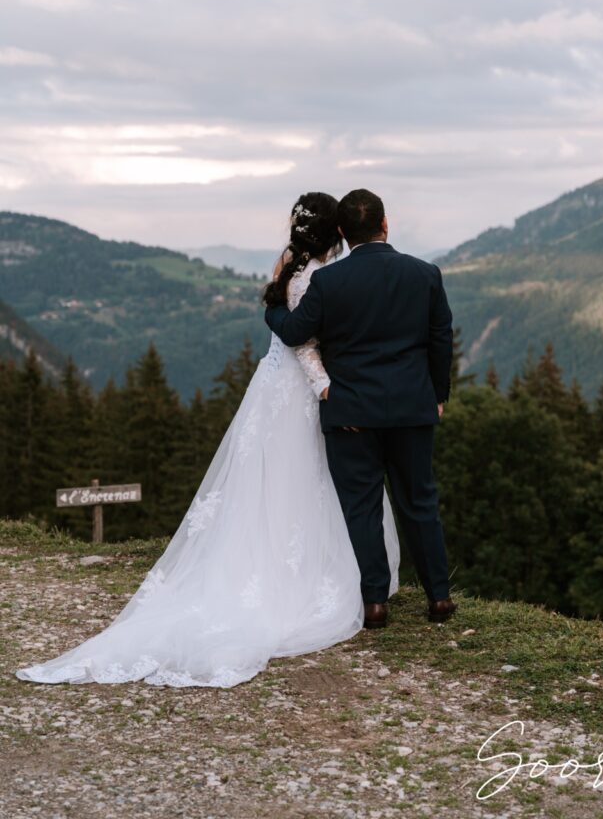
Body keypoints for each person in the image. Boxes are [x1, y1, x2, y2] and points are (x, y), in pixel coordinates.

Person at [16, 192, 400, 688]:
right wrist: (327, 386)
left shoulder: (290, 262)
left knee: (277, 481)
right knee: (310, 479)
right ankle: (308, 576)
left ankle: (282, 565)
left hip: (273, 388)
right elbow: (303, 341)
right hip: (306, 388)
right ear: (336, 231)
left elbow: (283, 323)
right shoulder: (325, 275)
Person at [266, 188, 455, 629]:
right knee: (420, 502)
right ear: (385, 224)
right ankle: (440, 597)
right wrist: (438, 395)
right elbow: (440, 339)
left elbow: (294, 333)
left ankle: (375, 603)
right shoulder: (425, 274)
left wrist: (273, 307)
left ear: (342, 233)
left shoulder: (329, 283)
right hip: (412, 408)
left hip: (351, 411)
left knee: (362, 506)